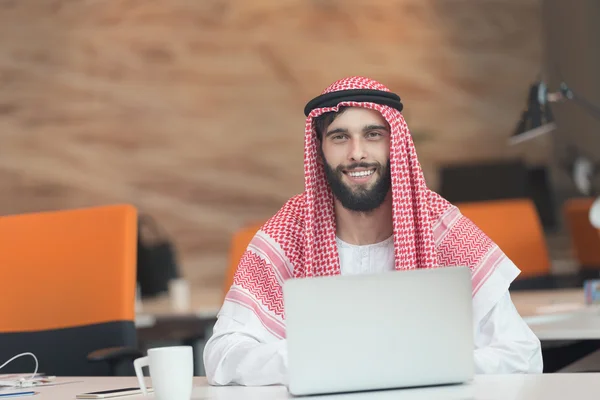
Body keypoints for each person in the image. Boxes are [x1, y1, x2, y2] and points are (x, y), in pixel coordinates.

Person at [203, 76, 543, 386]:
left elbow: (524, 355)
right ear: (320, 150)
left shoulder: (440, 227)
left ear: (394, 143)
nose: (357, 153)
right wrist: (311, 360)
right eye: (339, 137)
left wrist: (427, 366)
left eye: (373, 134)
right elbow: (221, 355)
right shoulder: (290, 231)